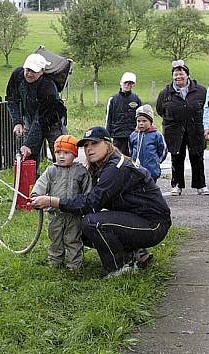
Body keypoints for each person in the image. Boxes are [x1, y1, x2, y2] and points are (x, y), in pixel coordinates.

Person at [30, 127, 171, 278]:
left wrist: (53, 201)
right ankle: (134, 253)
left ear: (107, 144)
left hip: (154, 225)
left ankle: (119, 267)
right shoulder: (102, 166)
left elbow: (91, 203)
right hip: (136, 218)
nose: (89, 149)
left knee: (92, 223)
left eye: (94, 143)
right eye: (86, 146)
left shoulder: (115, 168)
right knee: (80, 226)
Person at [30, 135, 91, 270]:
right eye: (58, 152)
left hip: (73, 215)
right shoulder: (51, 171)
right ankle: (55, 262)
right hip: (55, 214)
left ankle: (74, 265)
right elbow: (41, 184)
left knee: (73, 239)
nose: (61, 156)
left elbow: (88, 191)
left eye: (66, 153)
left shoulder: (81, 171)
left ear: (74, 155)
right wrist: (36, 195)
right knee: (55, 238)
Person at [156, 60, 209, 196]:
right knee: (177, 158)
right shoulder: (165, 93)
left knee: (197, 157)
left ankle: (201, 185)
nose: (178, 77)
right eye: (175, 74)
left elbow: (207, 109)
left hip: (195, 129)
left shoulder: (201, 91)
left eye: (181, 74)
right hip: (174, 130)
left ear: (188, 76)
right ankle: (177, 185)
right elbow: (160, 110)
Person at [7, 53, 67, 170]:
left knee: (60, 154)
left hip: (53, 121)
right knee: (29, 155)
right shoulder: (17, 75)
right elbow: (12, 99)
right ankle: (31, 185)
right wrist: (17, 122)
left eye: (33, 71)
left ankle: (62, 182)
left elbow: (41, 120)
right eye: (27, 70)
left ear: (42, 71)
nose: (29, 74)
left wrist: (28, 144)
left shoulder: (48, 88)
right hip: (30, 117)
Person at [106, 72, 142, 156]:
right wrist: (107, 137)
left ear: (133, 85)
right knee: (118, 160)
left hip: (133, 135)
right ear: (120, 82)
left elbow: (141, 117)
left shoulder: (136, 99)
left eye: (130, 83)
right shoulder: (113, 99)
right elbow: (108, 118)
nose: (127, 85)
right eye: (125, 82)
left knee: (133, 160)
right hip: (118, 136)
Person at [129, 104, 167, 182]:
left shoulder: (157, 135)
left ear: (150, 122)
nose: (141, 123)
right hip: (137, 171)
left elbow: (163, 150)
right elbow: (131, 150)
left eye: (144, 121)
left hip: (151, 170)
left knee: (150, 190)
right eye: (138, 121)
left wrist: (157, 161)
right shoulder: (133, 135)